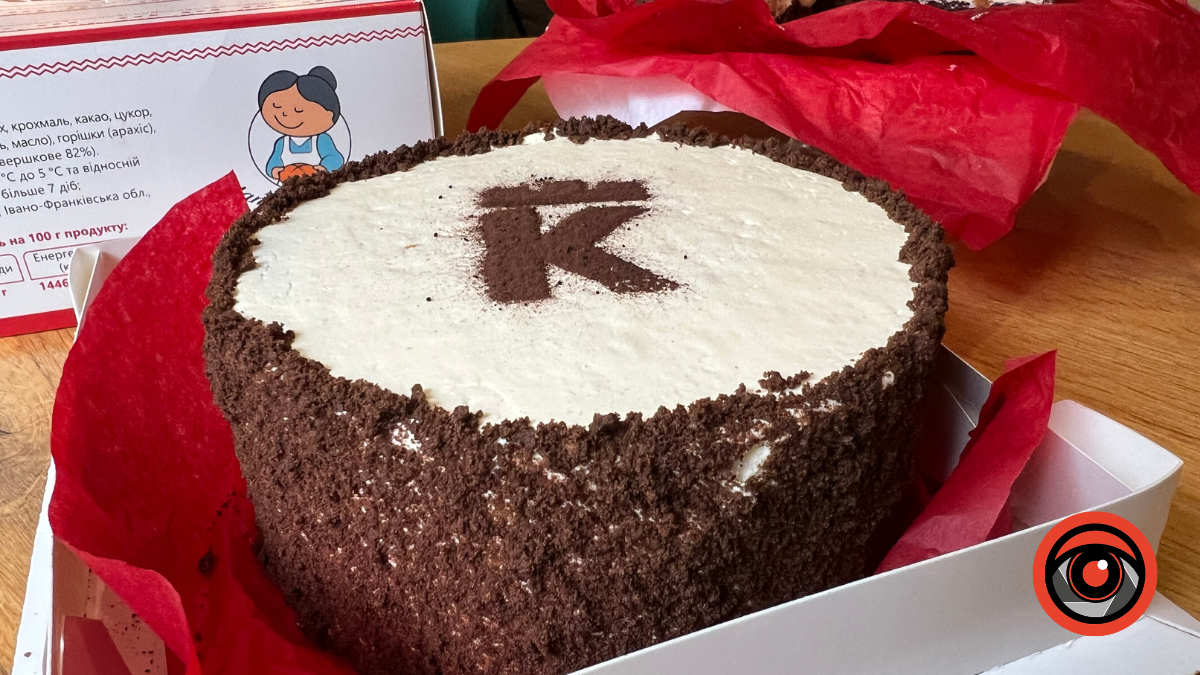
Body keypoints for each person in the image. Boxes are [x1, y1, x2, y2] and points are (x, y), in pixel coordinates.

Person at [258, 67, 345, 181]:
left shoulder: (321, 140)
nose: (285, 114)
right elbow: (274, 160)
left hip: (319, 185)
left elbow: (335, 157)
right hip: (288, 187)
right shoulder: (282, 143)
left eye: (298, 110)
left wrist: (325, 167)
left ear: (329, 114)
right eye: (277, 107)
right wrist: (274, 169)